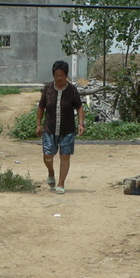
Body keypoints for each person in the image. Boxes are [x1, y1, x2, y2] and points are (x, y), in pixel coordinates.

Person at [36, 60, 85, 194]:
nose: (59, 78)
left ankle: (61, 183)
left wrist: (81, 123)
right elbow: (41, 107)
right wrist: (38, 125)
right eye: (56, 75)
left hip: (67, 130)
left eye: (61, 75)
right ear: (53, 75)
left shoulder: (72, 90)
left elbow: (79, 107)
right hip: (50, 129)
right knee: (47, 155)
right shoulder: (48, 89)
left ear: (66, 76)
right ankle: (51, 171)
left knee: (65, 156)